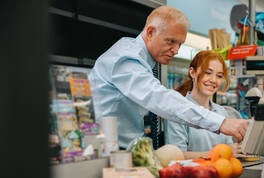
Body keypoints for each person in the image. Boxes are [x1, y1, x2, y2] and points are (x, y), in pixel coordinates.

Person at [89, 6, 249, 149]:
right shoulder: (125, 58)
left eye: (180, 44)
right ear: (150, 32)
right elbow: (160, 98)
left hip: (127, 151)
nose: (176, 50)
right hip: (109, 154)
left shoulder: (143, 60)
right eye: (171, 41)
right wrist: (220, 122)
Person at [165, 51, 242, 159]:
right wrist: (221, 153)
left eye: (219, 76)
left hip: (222, 173)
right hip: (191, 174)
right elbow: (176, 156)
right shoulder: (178, 111)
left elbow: (229, 151)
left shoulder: (221, 112)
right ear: (192, 73)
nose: (214, 80)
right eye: (208, 73)